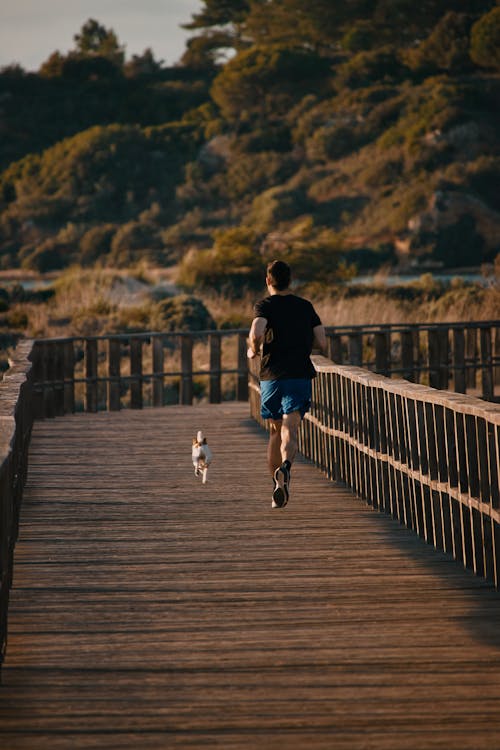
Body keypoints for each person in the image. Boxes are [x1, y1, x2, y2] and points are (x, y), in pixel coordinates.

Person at [248, 260, 327, 509]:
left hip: (272, 376)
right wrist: (304, 346)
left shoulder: (265, 305)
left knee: (274, 430)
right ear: (290, 281)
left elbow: (256, 330)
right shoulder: (305, 306)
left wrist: (254, 348)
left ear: (268, 281)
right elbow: (323, 342)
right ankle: (287, 466)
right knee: (290, 429)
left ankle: (276, 486)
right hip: (299, 375)